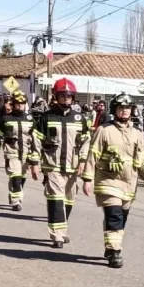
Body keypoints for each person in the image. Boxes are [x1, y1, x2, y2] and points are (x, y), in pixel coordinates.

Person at [81, 93, 144, 268]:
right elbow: (93, 154)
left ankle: (111, 244)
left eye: (127, 108)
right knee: (114, 215)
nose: (124, 111)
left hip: (130, 183)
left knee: (121, 218)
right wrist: (87, 178)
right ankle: (114, 252)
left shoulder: (138, 134)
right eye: (121, 108)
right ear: (115, 110)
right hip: (108, 181)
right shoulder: (104, 131)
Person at [28, 78, 90, 248]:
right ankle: (57, 235)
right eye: (63, 96)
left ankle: (62, 229)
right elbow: (36, 141)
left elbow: (85, 141)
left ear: (73, 98)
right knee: (56, 198)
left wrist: (83, 160)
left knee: (69, 200)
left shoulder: (79, 118)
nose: (66, 99)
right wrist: (34, 163)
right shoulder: (46, 117)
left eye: (69, 96)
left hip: (72, 166)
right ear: (56, 97)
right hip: (52, 165)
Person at [0, 91, 34, 211]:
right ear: (13, 104)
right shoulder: (5, 119)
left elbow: (35, 139)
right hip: (12, 153)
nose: (20, 105)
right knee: (15, 176)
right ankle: (16, 202)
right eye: (17, 103)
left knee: (21, 178)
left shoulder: (30, 119)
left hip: (26, 154)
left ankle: (14, 195)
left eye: (22, 103)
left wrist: (35, 156)